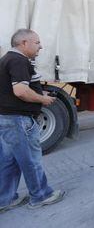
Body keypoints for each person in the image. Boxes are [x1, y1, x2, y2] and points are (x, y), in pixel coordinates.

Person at [0, 29, 65, 212]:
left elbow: (12, 90)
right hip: (19, 121)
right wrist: (43, 100)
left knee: (8, 161)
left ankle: (5, 199)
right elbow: (20, 91)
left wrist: (38, 93)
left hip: (7, 119)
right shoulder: (19, 60)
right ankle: (41, 195)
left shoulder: (6, 60)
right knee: (30, 160)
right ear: (24, 43)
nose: (41, 46)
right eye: (37, 43)